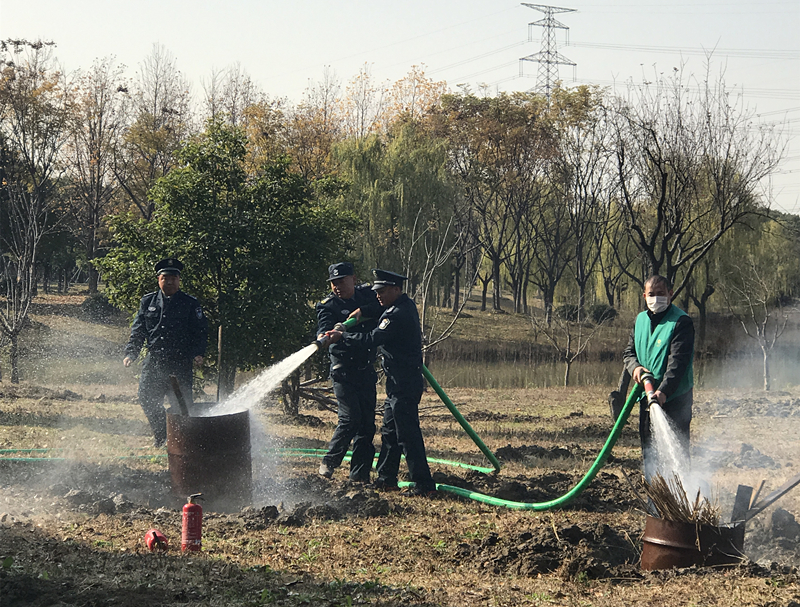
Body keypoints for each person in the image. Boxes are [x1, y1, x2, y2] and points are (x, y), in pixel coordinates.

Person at [326, 269, 436, 497]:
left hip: (404, 384)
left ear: (396, 289)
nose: (378, 296)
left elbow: (372, 339)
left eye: (382, 291)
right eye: (377, 291)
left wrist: (343, 336)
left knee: (407, 435)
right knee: (390, 432)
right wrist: (361, 312)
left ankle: (423, 484)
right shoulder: (402, 305)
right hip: (397, 384)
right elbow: (375, 309)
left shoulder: (395, 315)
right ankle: (386, 479)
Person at [123, 258, 208, 447]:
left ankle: (182, 442)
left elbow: (200, 331)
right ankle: (162, 437)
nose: (169, 282)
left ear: (179, 280)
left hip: (179, 363)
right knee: (146, 398)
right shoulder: (148, 301)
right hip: (154, 362)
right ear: (158, 280)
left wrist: (198, 353)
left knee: (182, 405)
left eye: (173, 278)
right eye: (165, 278)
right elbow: (138, 331)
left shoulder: (190, 303)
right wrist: (131, 353)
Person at [315, 262, 382, 482]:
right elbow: (324, 327)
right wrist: (325, 336)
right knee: (350, 418)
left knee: (367, 425)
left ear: (353, 279)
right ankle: (329, 462)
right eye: (333, 283)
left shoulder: (367, 295)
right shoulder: (327, 305)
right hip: (343, 370)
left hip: (366, 369)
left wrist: (363, 311)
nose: (337, 287)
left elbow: (383, 306)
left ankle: (359, 476)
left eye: (341, 281)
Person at [623, 275, 694, 479]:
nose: (656, 298)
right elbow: (629, 353)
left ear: (670, 294)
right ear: (644, 296)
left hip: (675, 398)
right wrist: (635, 368)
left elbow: (678, 363)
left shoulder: (681, 322)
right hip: (646, 397)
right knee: (650, 452)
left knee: (677, 452)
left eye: (661, 294)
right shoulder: (640, 321)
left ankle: (683, 492)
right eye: (651, 294)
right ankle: (654, 494)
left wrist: (663, 392)